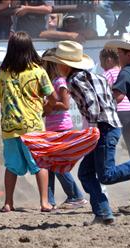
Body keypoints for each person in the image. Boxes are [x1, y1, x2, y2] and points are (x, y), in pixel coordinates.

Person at [43, 40, 130, 225]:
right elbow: (108, 101)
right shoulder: (95, 76)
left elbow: (92, 103)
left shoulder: (74, 80)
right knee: (86, 173)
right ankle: (103, 213)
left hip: (102, 128)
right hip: (109, 126)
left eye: (57, 63)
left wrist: (93, 128)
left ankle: (104, 211)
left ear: (64, 65)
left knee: (107, 175)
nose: (56, 66)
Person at [0, 31, 58, 213]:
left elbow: (1, 98)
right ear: (30, 48)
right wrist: (46, 107)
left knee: (11, 166)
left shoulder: (3, 73)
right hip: (32, 126)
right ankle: (44, 202)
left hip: (9, 126)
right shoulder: (38, 71)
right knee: (40, 164)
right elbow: (53, 97)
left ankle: (8, 203)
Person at [41, 49, 88, 210]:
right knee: (49, 164)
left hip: (60, 127)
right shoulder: (53, 81)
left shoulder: (59, 81)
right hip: (53, 127)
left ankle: (75, 195)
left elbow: (65, 105)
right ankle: (50, 199)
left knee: (56, 164)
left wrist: (47, 105)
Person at [105, 33, 130, 214]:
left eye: (120, 53)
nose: (118, 56)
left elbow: (116, 97)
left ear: (129, 54)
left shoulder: (126, 72)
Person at [100, 48, 130, 157]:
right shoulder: (126, 71)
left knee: (110, 148)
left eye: (102, 62)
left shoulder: (107, 74)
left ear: (108, 60)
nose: (101, 66)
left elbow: (105, 95)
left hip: (117, 113)